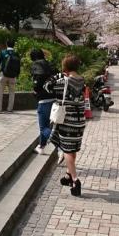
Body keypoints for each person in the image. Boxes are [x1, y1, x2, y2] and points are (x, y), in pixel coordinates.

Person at [45, 54, 86, 196]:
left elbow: (46, 87)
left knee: (67, 150)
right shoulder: (82, 80)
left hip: (67, 120)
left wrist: (56, 76)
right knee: (72, 147)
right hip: (79, 120)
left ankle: (75, 180)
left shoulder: (62, 81)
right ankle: (68, 175)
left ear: (65, 66)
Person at [30, 48, 56, 154]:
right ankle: (41, 146)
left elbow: (38, 80)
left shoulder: (37, 65)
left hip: (44, 100)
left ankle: (60, 146)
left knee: (44, 127)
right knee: (46, 124)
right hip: (54, 98)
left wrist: (36, 89)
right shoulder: (49, 64)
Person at [0, 40, 21, 113]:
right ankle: (9, 109)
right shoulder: (16, 53)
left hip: (3, 75)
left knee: (0, 92)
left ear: (6, 44)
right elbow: (19, 65)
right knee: (12, 93)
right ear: (14, 45)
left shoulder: (3, 52)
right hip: (13, 76)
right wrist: (17, 74)